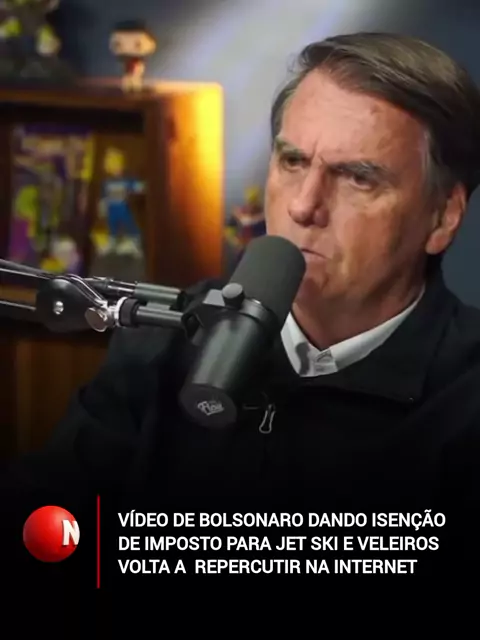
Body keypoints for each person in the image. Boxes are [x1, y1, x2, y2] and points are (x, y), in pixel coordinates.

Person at [3, 31, 480, 581]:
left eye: (357, 177)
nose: (304, 206)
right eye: (293, 161)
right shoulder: (165, 338)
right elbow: (48, 524)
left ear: (442, 217)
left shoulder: (465, 399)